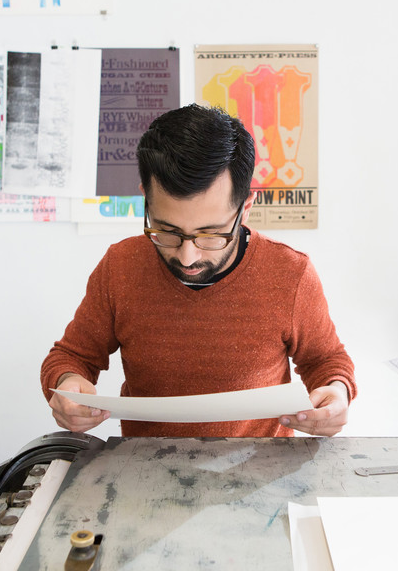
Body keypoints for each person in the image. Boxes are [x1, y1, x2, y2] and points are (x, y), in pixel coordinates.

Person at [41, 104, 356, 438]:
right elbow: (71, 357)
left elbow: (326, 361)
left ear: (245, 209)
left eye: (210, 235)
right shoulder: (121, 266)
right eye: (167, 231)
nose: (187, 257)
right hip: (145, 472)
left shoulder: (290, 273)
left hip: (260, 473)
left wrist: (336, 394)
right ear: (146, 199)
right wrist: (67, 385)